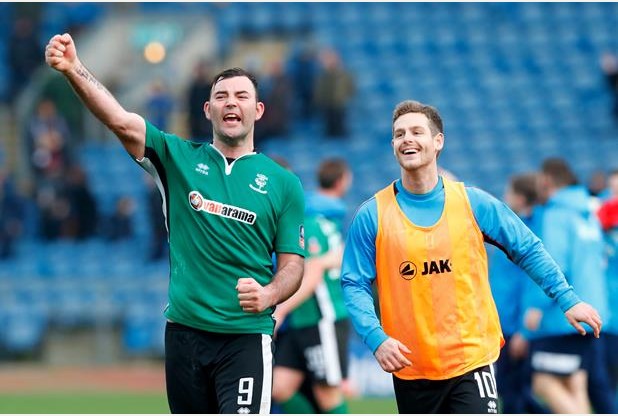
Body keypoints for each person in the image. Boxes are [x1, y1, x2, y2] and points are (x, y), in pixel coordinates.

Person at [45, 33, 306, 414]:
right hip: (184, 336)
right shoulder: (177, 159)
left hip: (245, 338)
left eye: (241, 96)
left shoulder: (284, 184)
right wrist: (73, 69)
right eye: (221, 96)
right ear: (207, 109)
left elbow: (293, 265)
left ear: (259, 110)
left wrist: (269, 295)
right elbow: (121, 122)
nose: (231, 102)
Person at [340, 100, 603, 414]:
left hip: (470, 359)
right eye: (399, 134)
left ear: (438, 142)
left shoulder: (474, 203)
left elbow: (528, 248)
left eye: (416, 131)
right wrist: (376, 337)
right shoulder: (373, 215)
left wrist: (567, 298)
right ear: (393, 145)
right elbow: (353, 283)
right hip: (411, 366)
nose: (406, 139)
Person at [523, 158, 610, 414]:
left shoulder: (556, 214)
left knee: (543, 382)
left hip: (563, 317)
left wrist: (537, 305)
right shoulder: (588, 214)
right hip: (593, 311)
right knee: (576, 383)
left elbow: (554, 264)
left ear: (547, 181)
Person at [272, 158, 353, 414]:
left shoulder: (307, 223)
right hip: (300, 322)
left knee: (326, 393)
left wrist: (281, 309)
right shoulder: (287, 223)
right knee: (279, 388)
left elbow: (314, 272)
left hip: (322, 320)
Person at [486, 173, 547, 413]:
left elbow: (529, 284)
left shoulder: (527, 232)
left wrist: (523, 330)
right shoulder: (512, 227)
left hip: (516, 326)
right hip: (503, 324)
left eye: (509, 193)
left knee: (513, 392)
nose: (505, 197)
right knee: (510, 390)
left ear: (520, 198)